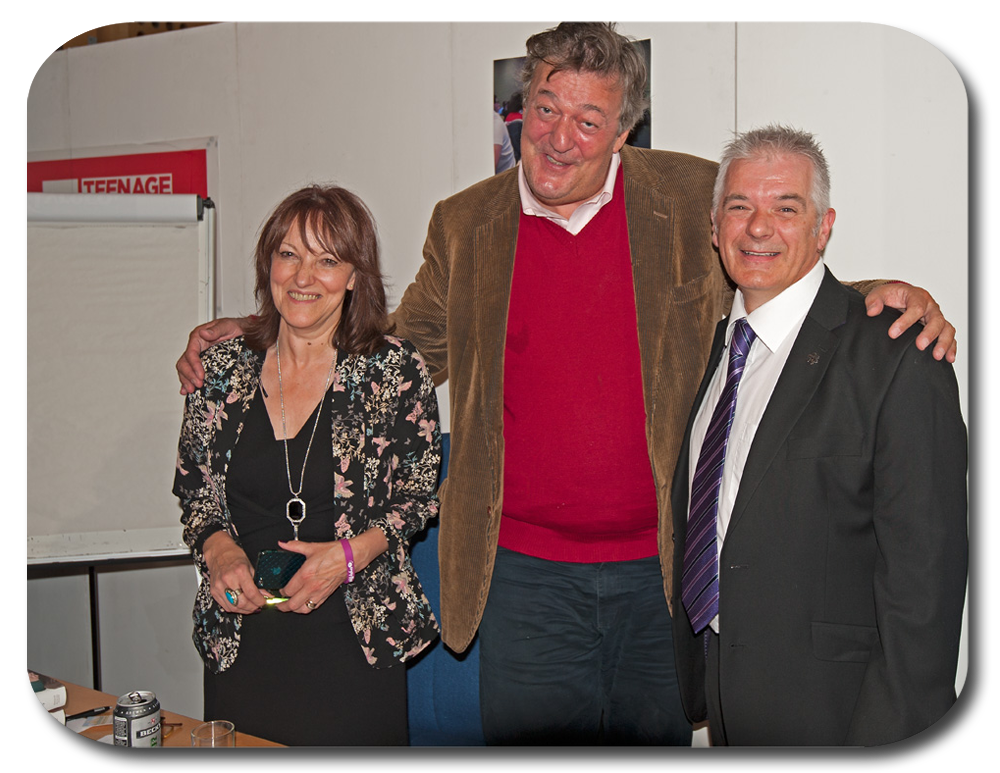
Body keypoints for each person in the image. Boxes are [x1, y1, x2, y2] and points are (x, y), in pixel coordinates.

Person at [177, 23, 957, 745]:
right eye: (545, 107)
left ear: (623, 133)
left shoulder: (688, 197)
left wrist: (884, 294)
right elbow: (396, 348)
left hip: (666, 567)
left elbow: (772, 261)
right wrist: (258, 333)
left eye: (588, 120)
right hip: (523, 576)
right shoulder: (466, 222)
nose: (557, 136)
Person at [670, 126, 967, 746]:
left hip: (841, 712)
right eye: (740, 206)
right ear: (714, 224)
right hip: (727, 698)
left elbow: (925, 591)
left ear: (823, 227)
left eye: (786, 208)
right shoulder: (720, 347)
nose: (758, 227)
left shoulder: (901, 355)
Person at [173, 185, 441, 746]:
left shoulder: (393, 371)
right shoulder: (220, 369)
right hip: (241, 635)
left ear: (353, 276)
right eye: (288, 254)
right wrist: (218, 550)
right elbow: (195, 490)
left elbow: (418, 496)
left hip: (355, 634)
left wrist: (348, 555)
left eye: (327, 260)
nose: (303, 277)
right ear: (268, 262)